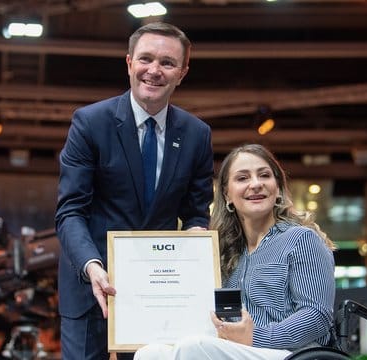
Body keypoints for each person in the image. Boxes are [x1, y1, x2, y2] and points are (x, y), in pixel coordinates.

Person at [55, 22, 214, 360]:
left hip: (159, 295)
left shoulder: (197, 135)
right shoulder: (89, 123)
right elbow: (70, 212)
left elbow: (196, 211)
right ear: (129, 63)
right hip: (91, 284)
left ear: (183, 72)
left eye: (167, 63)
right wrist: (91, 266)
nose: (154, 71)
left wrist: (197, 245)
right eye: (145, 59)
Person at [134, 144, 337, 360]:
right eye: (242, 178)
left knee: (193, 347)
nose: (256, 184)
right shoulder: (223, 250)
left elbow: (317, 316)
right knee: (149, 353)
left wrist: (255, 336)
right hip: (235, 349)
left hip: (292, 354)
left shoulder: (301, 239)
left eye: (264, 175)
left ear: (277, 188)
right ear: (227, 195)